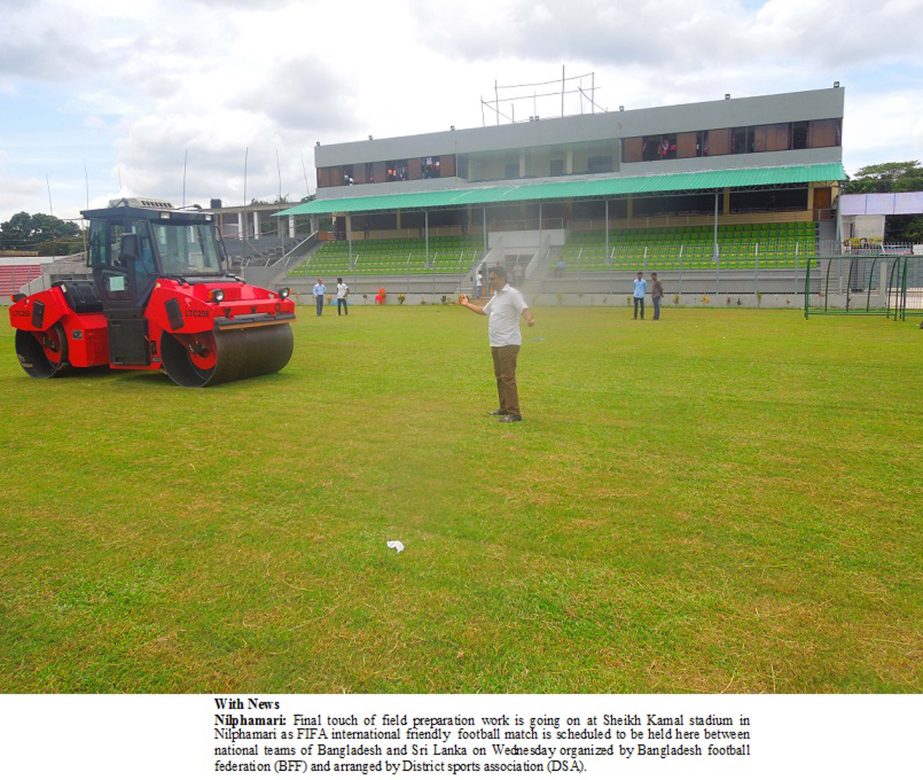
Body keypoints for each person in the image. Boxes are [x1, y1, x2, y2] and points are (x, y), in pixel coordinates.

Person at [458, 266, 535, 423]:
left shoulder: (513, 294)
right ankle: (504, 407)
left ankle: (514, 412)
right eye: (490, 278)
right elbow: (483, 311)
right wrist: (466, 304)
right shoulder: (497, 296)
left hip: (508, 343)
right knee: (500, 377)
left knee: (507, 377)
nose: (490, 281)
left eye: (493, 278)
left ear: (502, 278)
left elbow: (524, 308)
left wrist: (529, 319)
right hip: (496, 343)